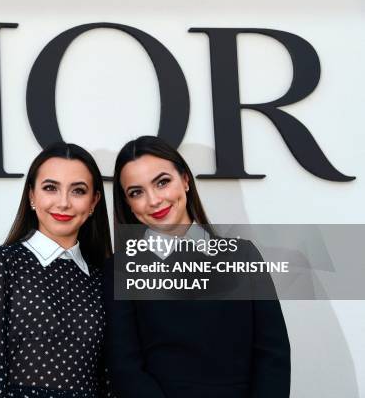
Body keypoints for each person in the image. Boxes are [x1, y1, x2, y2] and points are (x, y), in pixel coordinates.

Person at [104, 135, 290, 398]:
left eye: (162, 182)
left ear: (185, 180)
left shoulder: (243, 255)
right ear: (128, 204)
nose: (154, 200)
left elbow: (273, 354)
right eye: (137, 192)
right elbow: (125, 368)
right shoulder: (120, 270)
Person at [0, 142, 113, 398]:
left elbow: (110, 379)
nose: (63, 203)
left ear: (93, 202)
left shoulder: (103, 276)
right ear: (32, 195)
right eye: (50, 188)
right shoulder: (2, 263)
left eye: (78, 191)